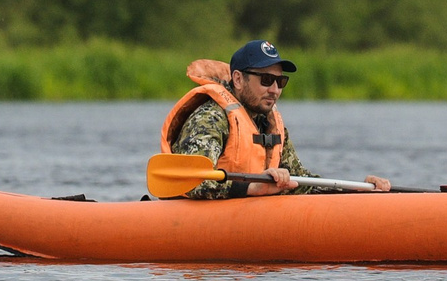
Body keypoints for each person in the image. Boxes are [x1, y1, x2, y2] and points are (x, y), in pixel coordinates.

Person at [159, 39, 388, 199]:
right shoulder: (210, 119)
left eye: (281, 81)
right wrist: (253, 188)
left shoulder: (270, 124)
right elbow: (192, 182)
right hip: (194, 222)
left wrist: (358, 191)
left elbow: (301, 182)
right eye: (266, 80)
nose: (275, 90)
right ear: (238, 79)